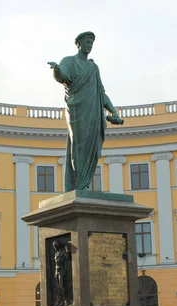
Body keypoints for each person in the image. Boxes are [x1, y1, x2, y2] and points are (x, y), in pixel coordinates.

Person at [47, 31, 123, 192]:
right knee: (78, 146)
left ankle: (84, 184)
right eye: (87, 42)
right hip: (76, 109)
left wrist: (113, 111)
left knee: (91, 148)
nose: (89, 45)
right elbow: (63, 77)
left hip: (93, 112)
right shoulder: (69, 61)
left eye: (91, 43)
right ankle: (80, 185)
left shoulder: (93, 68)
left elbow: (101, 93)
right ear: (79, 44)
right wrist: (56, 70)